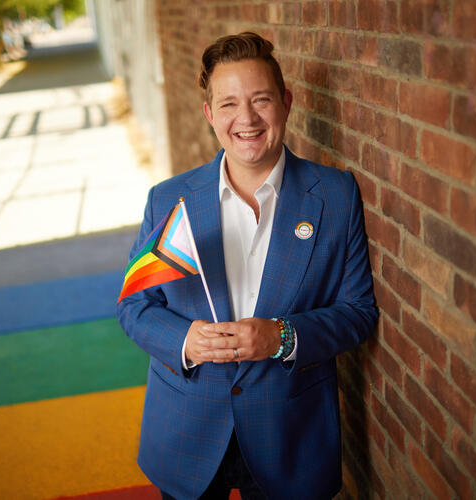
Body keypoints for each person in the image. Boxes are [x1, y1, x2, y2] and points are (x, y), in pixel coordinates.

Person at [117, 32, 378, 500]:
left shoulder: (335, 195)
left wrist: (282, 336)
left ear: (286, 103)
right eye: (229, 104)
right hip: (188, 428)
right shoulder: (170, 200)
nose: (247, 119)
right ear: (209, 114)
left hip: (290, 434)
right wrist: (185, 340)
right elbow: (135, 307)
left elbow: (358, 312)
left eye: (261, 100)